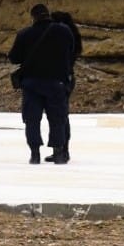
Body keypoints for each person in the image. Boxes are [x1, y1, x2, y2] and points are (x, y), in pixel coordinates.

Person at [8, 3, 75, 165]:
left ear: (33, 17)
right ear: (48, 14)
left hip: (32, 84)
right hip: (56, 82)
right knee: (57, 118)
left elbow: (14, 58)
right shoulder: (64, 31)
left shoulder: (24, 34)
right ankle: (58, 153)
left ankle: (35, 154)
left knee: (32, 119)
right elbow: (71, 52)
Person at [49, 11, 83, 162]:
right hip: (68, 78)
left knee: (57, 115)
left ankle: (60, 150)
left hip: (58, 79)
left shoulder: (60, 35)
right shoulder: (73, 36)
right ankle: (63, 149)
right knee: (62, 115)